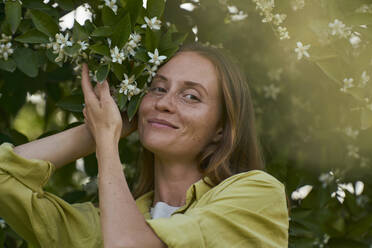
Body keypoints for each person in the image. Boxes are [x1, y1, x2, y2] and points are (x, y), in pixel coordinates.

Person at [0, 42, 289, 248]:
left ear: (221, 129)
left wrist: (106, 141)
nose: (163, 103)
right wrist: (98, 128)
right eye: (158, 88)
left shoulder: (256, 196)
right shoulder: (105, 224)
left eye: (191, 96)